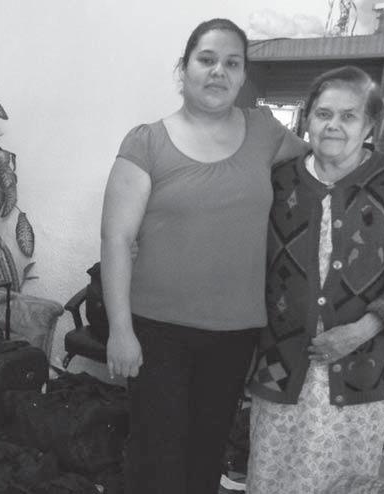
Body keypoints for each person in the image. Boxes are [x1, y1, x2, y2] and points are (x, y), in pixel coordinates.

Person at [99, 18, 307, 494]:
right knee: (155, 459)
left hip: (235, 332)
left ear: (243, 75)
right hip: (157, 331)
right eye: (207, 59)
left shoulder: (265, 132)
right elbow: (115, 239)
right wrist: (120, 331)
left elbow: (321, 165)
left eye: (232, 63)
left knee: (207, 454)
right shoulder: (146, 141)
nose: (219, 72)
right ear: (184, 68)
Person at [247, 66, 384, 493]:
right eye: (323, 114)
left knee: (345, 483)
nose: (333, 125)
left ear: (370, 125)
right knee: (273, 479)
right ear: (307, 120)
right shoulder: (279, 180)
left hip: (361, 366)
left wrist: (361, 330)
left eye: (348, 116)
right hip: (282, 366)